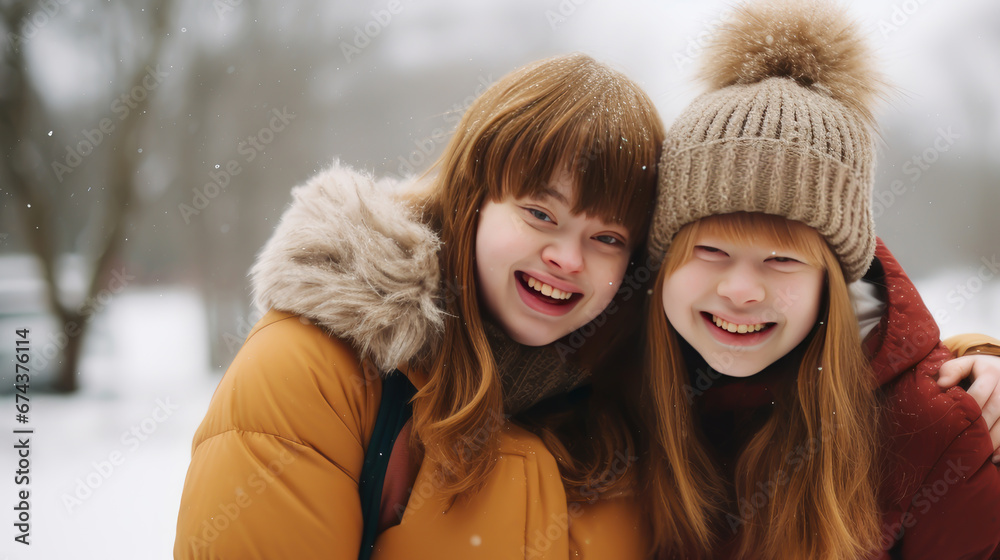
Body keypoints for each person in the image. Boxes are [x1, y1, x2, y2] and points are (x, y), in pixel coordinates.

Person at [174, 53, 665, 559]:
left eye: (607, 237)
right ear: (471, 199)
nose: (567, 258)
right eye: (540, 214)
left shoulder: (635, 421)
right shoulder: (316, 371)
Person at [638, 1, 1000, 559]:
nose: (741, 290)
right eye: (710, 250)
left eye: (783, 260)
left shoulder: (928, 431)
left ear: (834, 279)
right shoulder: (618, 383)